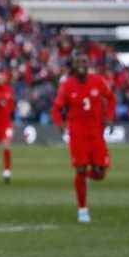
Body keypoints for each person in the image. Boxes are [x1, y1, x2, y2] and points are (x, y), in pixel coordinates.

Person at [51, 53, 116, 223]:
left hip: (96, 133)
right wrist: (59, 123)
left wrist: (109, 117)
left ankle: (83, 177)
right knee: (80, 169)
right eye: (79, 62)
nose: (82, 64)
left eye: (85, 62)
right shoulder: (67, 85)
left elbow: (111, 98)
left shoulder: (98, 81)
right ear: (73, 65)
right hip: (77, 135)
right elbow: (57, 108)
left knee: (100, 173)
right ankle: (82, 209)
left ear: (89, 65)